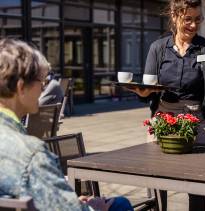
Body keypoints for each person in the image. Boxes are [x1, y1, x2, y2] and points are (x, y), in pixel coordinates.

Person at [0, 38, 133, 211]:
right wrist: (93, 207)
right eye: (42, 82)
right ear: (20, 87)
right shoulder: (30, 153)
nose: (43, 89)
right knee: (120, 205)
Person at [129, 0, 205, 145]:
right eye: (188, 19)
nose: (194, 25)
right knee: (158, 164)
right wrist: (144, 92)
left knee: (199, 166)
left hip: (199, 120)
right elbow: (149, 84)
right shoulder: (158, 48)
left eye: (198, 19)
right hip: (164, 119)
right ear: (174, 16)